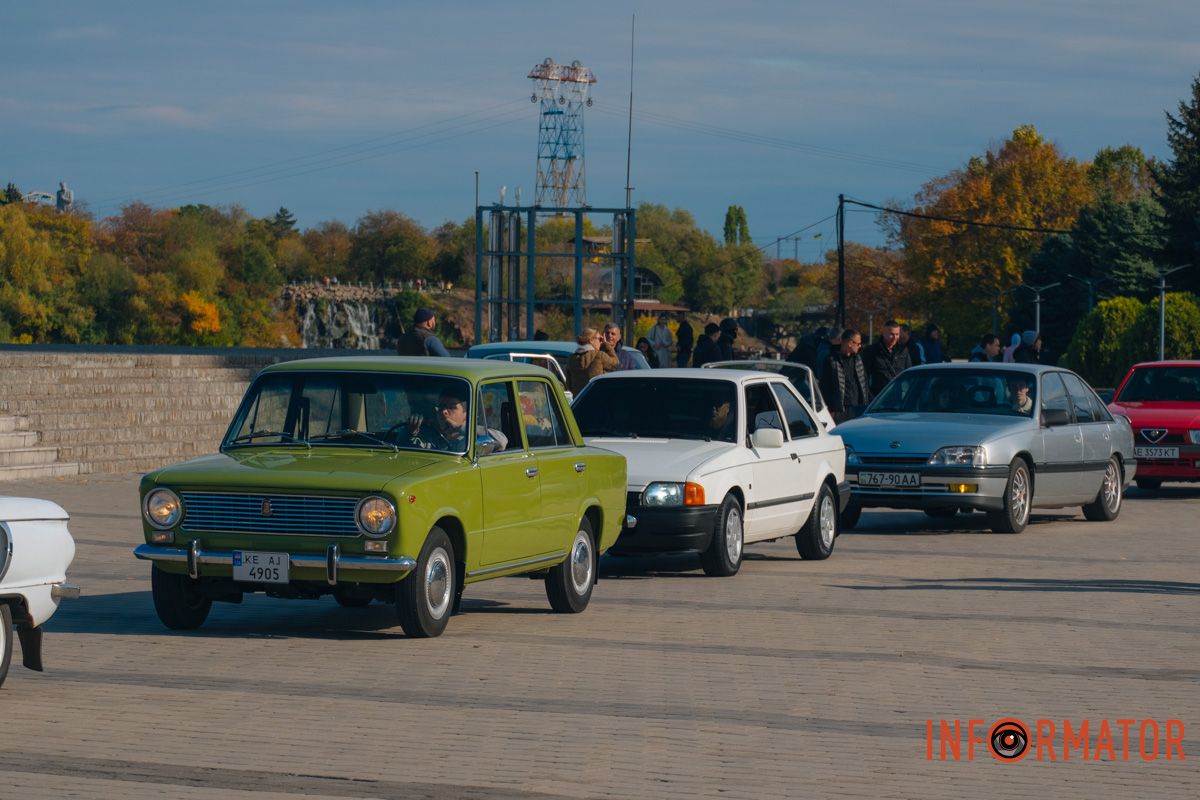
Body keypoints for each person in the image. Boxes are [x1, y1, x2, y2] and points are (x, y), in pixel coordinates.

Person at [405, 389, 507, 454]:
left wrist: (462, 428)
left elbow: (502, 441)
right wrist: (411, 431)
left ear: (466, 413)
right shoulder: (431, 437)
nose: (444, 411)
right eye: (441, 407)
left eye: (451, 407)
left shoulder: (472, 439)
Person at [819, 328, 871, 423]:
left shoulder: (858, 359)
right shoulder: (831, 360)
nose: (860, 346)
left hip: (859, 408)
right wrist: (830, 410)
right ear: (850, 343)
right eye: (858, 343)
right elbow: (825, 387)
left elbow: (865, 384)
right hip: (840, 410)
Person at [863, 320, 912, 395]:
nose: (895, 337)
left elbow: (908, 372)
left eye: (897, 334)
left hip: (898, 393)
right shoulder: (871, 351)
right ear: (884, 334)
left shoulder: (903, 350)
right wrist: (869, 395)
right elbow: (864, 375)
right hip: (878, 395)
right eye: (891, 334)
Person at [567, 327, 619, 394]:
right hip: (597, 398)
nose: (601, 342)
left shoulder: (571, 359)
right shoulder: (599, 355)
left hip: (579, 401)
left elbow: (569, 385)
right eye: (600, 339)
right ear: (591, 340)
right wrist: (606, 345)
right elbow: (616, 364)